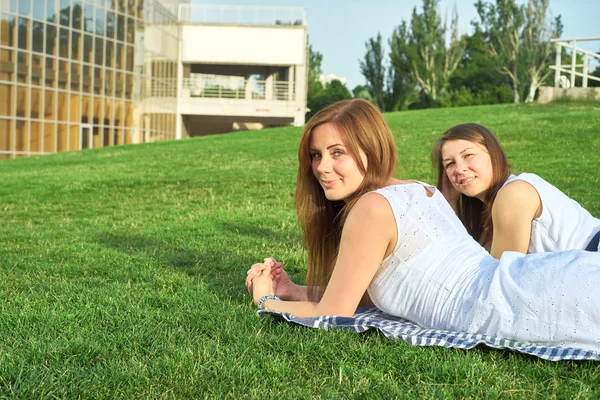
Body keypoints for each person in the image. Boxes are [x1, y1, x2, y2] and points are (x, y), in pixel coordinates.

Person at [245, 99, 600, 352]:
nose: (322, 167)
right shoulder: (421, 190)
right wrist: (295, 291)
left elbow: (334, 314)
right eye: (316, 155)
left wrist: (266, 300)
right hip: (533, 281)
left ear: (370, 148)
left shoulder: (372, 208)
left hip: (515, 303)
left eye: (338, 152)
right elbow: (358, 297)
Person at [432, 123, 600, 258]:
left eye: (468, 155)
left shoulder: (513, 195)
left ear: (494, 154)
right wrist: (450, 202)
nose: (459, 169)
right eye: (450, 164)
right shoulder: (488, 209)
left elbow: (496, 280)